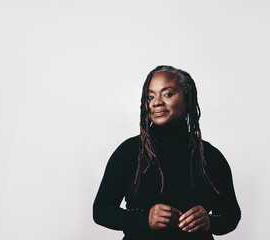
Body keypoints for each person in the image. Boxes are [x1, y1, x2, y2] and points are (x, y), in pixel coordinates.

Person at [93, 65, 241, 240]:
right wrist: (145, 219)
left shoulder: (209, 155)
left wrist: (210, 221)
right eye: (150, 96)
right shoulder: (130, 151)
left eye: (167, 94)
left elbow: (231, 216)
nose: (156, 102)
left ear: (187, 99)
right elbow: (101, 211)